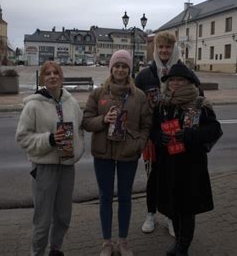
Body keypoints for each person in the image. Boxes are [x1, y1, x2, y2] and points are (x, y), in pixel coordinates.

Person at [82, 50, 152, 256]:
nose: (120, 69)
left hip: (128, 154)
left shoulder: (138, 96)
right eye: (117, 66)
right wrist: (103, 120)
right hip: (103, 154)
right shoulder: (98, 94)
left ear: (129, 70)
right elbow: (86, 121)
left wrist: (139, 143)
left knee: (125, 198)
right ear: (111, 68)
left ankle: (123, 241)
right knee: (105, 197)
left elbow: (147, 124)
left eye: (124, 66)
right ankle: (106, 242)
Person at [150, 62, 223, 256]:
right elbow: (153, 130)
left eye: (180, 80)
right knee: (172, 206)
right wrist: (160, 138)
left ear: (188, 82)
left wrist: (190, 135)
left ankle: (183, 246)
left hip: (191, 165)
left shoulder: (200, 103)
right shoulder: (162, 104)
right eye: (172, 80)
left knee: (187, 208)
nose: (175, 83)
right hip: (168, 163)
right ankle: (178, 243)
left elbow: (215, 129)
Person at [135, 31, 201, 236]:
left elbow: (199, 97)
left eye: (168, 47)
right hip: (154, 136)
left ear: (174, 48)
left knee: (173, 179)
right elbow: (135, 102)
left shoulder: (183, 71)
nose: (164, 51)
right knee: (153, 178)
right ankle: (150, 214)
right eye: (161, 47)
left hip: (178, 135)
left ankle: (172, 217)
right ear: (156, 49)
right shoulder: (146, 74)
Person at [16, 61, 85, 256]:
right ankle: (37, 253)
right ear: (42, 79)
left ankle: (56, 249)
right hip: (44, 168)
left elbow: (80, 128)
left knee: (63, 216)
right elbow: (22, 137)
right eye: (48, 74)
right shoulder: (33, 106)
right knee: (43, 220)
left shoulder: (71, 102)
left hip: (67, 167)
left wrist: (77, 150)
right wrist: (50, 140)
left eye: (56, 73)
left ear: (62, 77)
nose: (53, 76)